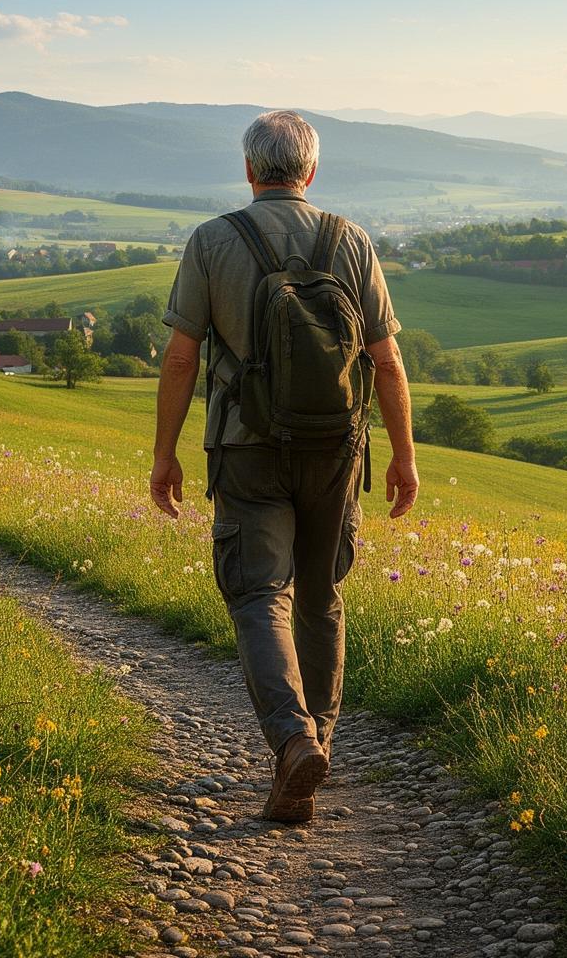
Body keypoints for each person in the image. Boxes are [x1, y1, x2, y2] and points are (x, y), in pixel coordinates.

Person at [150, 110, 419, 823]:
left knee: (257, 594)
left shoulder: (212, 242)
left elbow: (181, 357)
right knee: (321, 595)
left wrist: (164, 454)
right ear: (311, 171)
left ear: (248, 170)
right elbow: (386, 362)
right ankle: (313, 746)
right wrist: (404, 457)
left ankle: (294, 740)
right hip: (338, 447)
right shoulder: (351, 241)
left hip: (246, 445)